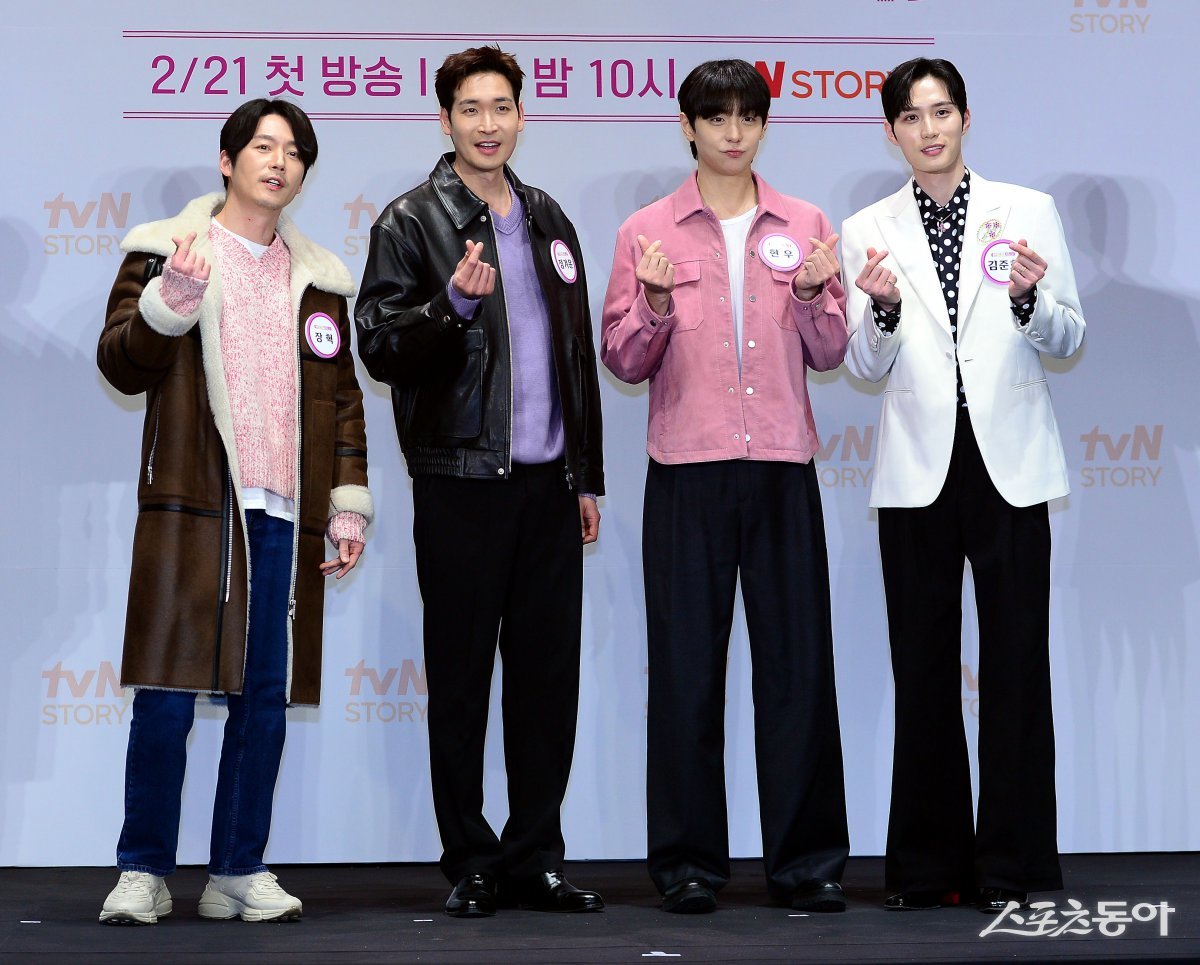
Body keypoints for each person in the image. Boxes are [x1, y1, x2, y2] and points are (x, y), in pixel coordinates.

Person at [96, 98, 372, 924]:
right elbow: (120, 362)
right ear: (227, 160)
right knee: (168, 694)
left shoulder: (320, 279)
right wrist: (171, 300)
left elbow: (346, 401)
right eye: (262, 145)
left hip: (285, 510)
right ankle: (142, 868)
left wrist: (348, 504)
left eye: (293, 151)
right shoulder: (166, 250)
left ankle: (236, 869)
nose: (278, 161)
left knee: (264, 697)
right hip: (194, 506)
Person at [355, 46, 605, 918]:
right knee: (461, 681)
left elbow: (576, 359)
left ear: (522, 116)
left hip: (547, 487)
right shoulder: (411, 220)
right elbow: (379, 346)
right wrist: (450, 308)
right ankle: (470, 857)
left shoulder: (548, 218)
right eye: (471, 109)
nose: (488, 124)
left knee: (547, 682)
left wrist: (586, 477)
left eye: (503, 107)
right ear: (445, 119)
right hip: (460, 482)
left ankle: (536, 855)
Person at [600, 59, 850, 915]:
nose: (733, 132)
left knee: (797, 672)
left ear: (764, 126)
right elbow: (624, 359)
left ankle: (806, 865)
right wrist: (658, 304)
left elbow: (830, 351)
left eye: (749, 116)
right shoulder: (648, 230)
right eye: (717, 117)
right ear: (689, 126)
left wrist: (817, 296)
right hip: (687, 475)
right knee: (683, 676)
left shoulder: (808, 223)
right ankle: (688, 865)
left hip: (782, 469)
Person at [839, 57, 1086, 913]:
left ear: (966, 118)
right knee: (924, 669)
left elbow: (1066, 335)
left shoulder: (1027, 212)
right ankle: (928, 864)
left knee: (1016, 667)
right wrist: (876, 312)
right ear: (891, 132)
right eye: (912, 117)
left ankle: (1014, 864)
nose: (929, 129)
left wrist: (1027, 300)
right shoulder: (866, 226)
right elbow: (862, 364)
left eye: (942, 112)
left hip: (1010, 464)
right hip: (916, 471)